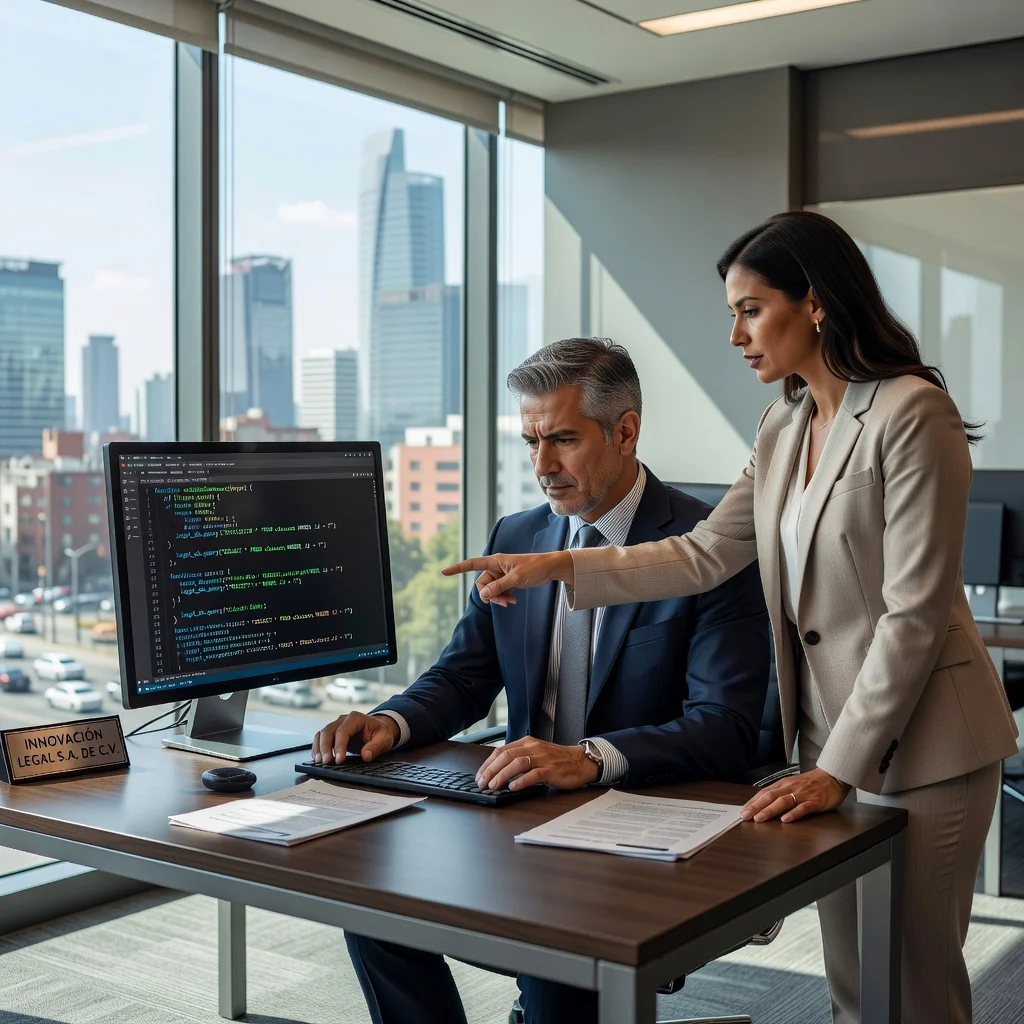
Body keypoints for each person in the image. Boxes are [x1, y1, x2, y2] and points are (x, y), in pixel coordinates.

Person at [445, 212, 1020, 1024]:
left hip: (923, 747)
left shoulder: (909, 413)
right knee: (855, 985)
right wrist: (560, 565)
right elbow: (704, 552)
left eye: (750, 309)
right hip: (827, 745)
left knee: (914, 989)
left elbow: (915, 615)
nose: (735, 334)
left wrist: (838, 768)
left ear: (813, 303)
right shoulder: (785, 423)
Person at [313, 337, 771, 1024]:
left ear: (625, 431)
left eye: (561, 439)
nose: (541, 466)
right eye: (530, 441)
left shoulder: (707, 545)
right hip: (521, 821)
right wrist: (393, 722)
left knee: (560, 981)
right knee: (375, 906)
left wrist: (588, 760)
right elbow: (464, 676)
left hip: (638, 828)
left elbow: (724, 727)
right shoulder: (520, 534)